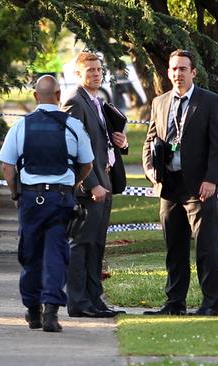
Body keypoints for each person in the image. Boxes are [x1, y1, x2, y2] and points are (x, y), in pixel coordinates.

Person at [0, 75, 94, 332]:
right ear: (59, 95)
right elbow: (87, 164)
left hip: (30, 198)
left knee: (30, 255)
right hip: (61, 199)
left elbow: (8, 167)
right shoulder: (73, 126)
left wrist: (15, 194)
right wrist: (73, 183)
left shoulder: (20, 127)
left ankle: (33, 310)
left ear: (34, 96)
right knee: (56, 252)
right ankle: (51, 312)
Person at [142, 49, 218, 316]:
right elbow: (149, 141)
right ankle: (174, 303)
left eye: (183, 69)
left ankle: (209, 304)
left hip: (199, 188)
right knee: (174, 249)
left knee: (205, 248)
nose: (177, 74)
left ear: (193, 72)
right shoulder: (160, 102)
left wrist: (211, 179)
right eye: (174, 69)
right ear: (168, 72)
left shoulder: (210, 101)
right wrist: (150, 170)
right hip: (169, 186)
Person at [62, 51, 128, 318]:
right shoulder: (74, 102)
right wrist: (90, 184)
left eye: (99, 70)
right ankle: (77, 302)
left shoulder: (98, 102)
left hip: (106, 183)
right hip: (89, 189)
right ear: (78, 74)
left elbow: (100, 144)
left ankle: (94, 300)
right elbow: (71, 147)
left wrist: (121, 143)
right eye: (90, 70)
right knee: (82, 244)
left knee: (97, 245)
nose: (96, 74)